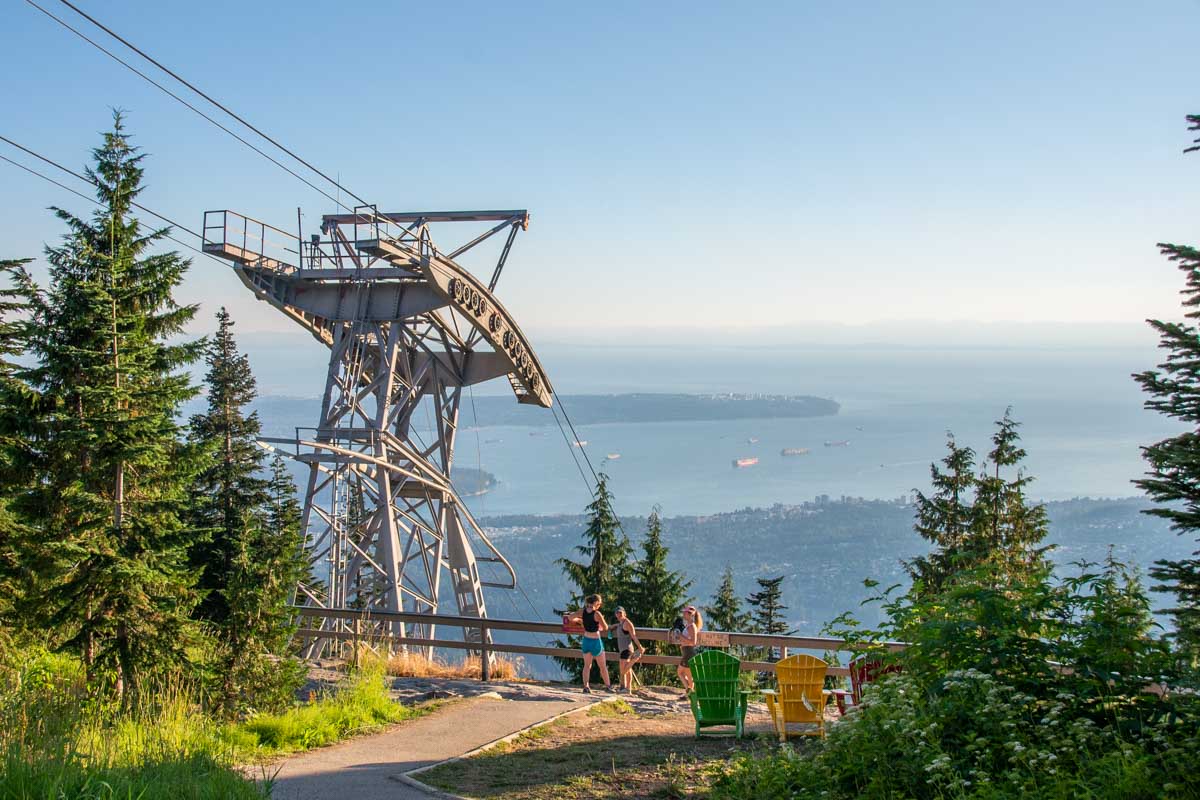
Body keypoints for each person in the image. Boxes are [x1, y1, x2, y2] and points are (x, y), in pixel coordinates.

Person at [566, 594, 613, 693]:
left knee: (587, 665)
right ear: (596, 603)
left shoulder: (582, 611)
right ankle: (608, 686)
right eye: (599, 604)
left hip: (586, 640)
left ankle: (586, 687)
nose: (599, 606)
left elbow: (570, 617)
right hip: (596, 641)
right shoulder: (597, 614)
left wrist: (580, 620)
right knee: (602, 666)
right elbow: (605, 628)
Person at [611, 606, 645, 694]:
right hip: (622, 649)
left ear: (624, 613)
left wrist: (640, 647)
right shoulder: (620, 623)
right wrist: (612, 627)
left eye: (620, 613)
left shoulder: (627, 623)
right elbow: (616, 626)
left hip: (627, 649)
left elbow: (633, 636)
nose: (619, 614)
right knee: (628, 669)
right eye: (617, 613)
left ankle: (635, 659)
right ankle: (627, 688)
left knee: (623, 670)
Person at [676, 605, 703, 693]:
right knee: (685, 674)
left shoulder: (692, 626)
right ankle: (689, 691)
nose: (683, 614)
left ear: (689, 614)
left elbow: (693, 642)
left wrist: (681, 636)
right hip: (686, 651)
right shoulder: (688, 625)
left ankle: (690, 692)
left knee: (682, 673)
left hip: (689, 652)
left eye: (685, 613)